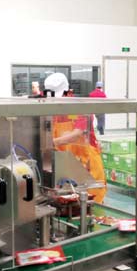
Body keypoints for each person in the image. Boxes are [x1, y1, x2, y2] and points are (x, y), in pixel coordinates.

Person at [45, 73, 106, 203]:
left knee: (91, 201)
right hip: (66, 164)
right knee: (68, 201)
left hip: (86, 165)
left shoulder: (79, 107)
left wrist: (49, 143)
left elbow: (76, 134)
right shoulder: (54, 110)